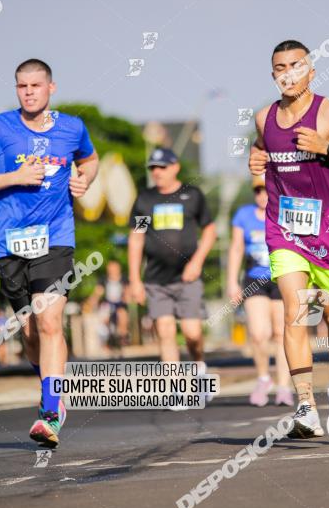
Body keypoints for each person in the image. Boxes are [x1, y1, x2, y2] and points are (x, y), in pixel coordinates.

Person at [249, 40, 329, 440]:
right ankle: (305, 406)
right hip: (284, 229)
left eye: (295, 65)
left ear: (310, 71)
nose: (287, 73)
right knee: (295, 311)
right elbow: (260, 151)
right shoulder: (263, 117)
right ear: (273, 75)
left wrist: (328, 148)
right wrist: (254, 160)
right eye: (279, 67)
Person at [0, 59, 98, 445]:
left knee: (50, 319)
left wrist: (84, 179)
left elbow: (90, 159)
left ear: (51, 88)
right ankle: (49, 380)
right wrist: (14, 178)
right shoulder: (1, 127)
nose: (29, 92)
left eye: (36, 85)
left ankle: (50, 410)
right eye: (22, 86)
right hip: (8, 240)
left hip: (56, 236)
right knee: (30, 330)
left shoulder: (72, 127)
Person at [128, 148, 216, 374]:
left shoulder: (192, 195)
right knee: (165, 332)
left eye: (162, 167)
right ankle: (175, 387)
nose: (157, 172)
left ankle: (199, 367)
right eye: (153, 168)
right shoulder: (145, 200)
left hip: (187, 278)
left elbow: (209, 231)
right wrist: (135, 280)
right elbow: (137, 239)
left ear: (175, 167)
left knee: (192, 333)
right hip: (156, 280)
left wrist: (196, 262)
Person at [227, 175, 293, 407]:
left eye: (266, 190)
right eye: (258, 191)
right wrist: (232, 282)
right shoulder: (243, 215)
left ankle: (284, 386)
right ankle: (264, 378)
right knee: (258, 333)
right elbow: (236, 249)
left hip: (282, 278)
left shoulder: (285, 212)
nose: (262, 195)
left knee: (281, 333)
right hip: (255, 280)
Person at [92, 259, 130, 355]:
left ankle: (122, 339)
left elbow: (128, 291)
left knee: (123, 316)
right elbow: (98, 292)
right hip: (107, 304)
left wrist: (127, 297)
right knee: (105, 320)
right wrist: (92, 301)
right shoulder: (104, 279)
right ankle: (108, 340)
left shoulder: (124, 279)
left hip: (120, 303)